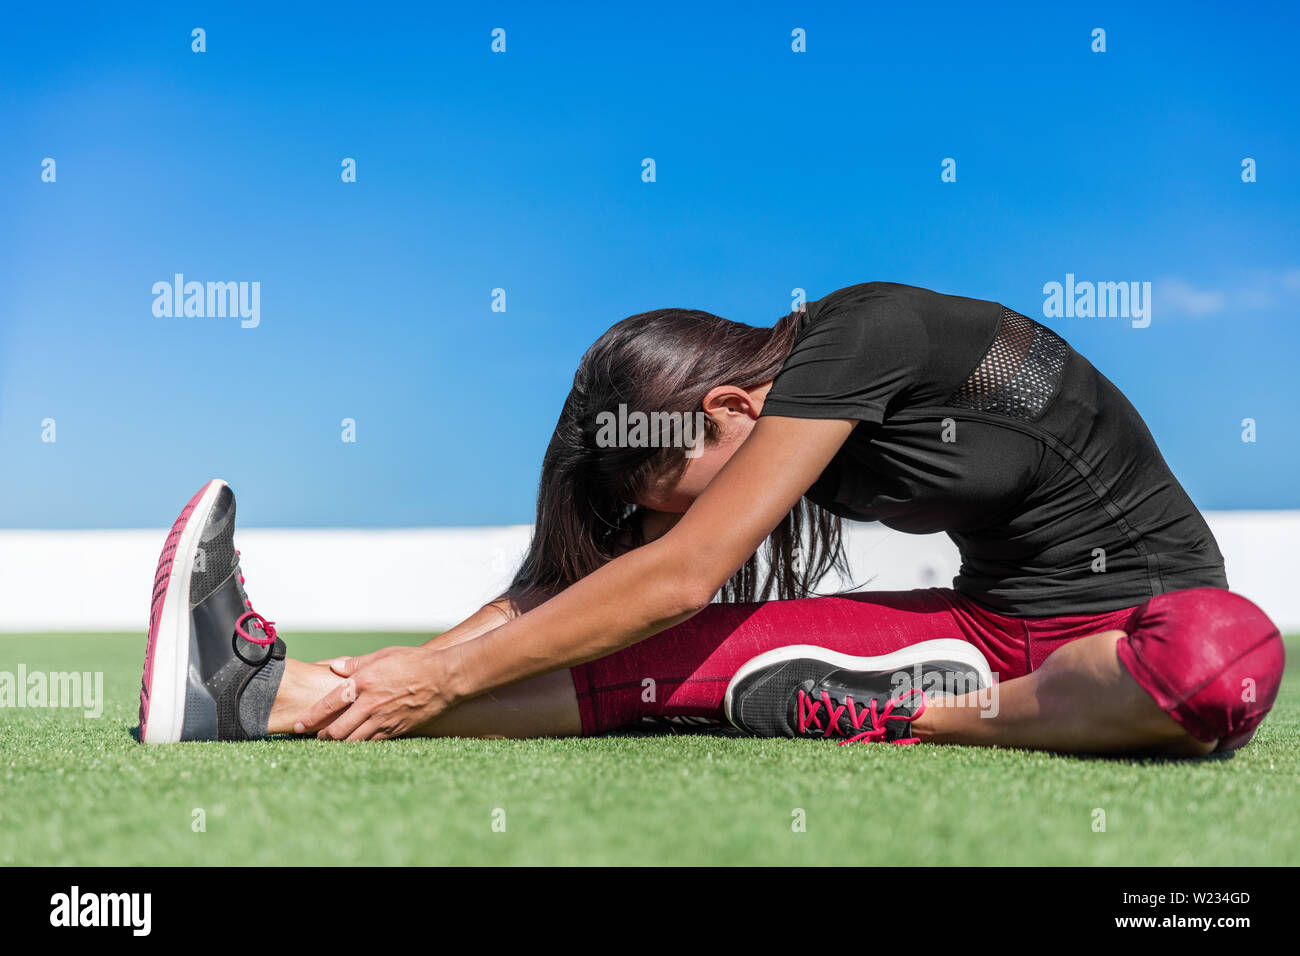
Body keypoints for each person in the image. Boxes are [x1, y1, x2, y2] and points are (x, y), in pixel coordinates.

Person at [138, 282, 1284, 754]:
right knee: (680, 651)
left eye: (675, 487)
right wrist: (410, 667)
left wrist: (436, 684)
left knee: (1212, 657)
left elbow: (682, 572)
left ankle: (958, 712)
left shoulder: (857, 336)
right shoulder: (778, 399)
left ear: (730, 407)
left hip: (1140, 626)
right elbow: (582, 586)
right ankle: (265, 696)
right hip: (995, 621)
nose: (705, 517)